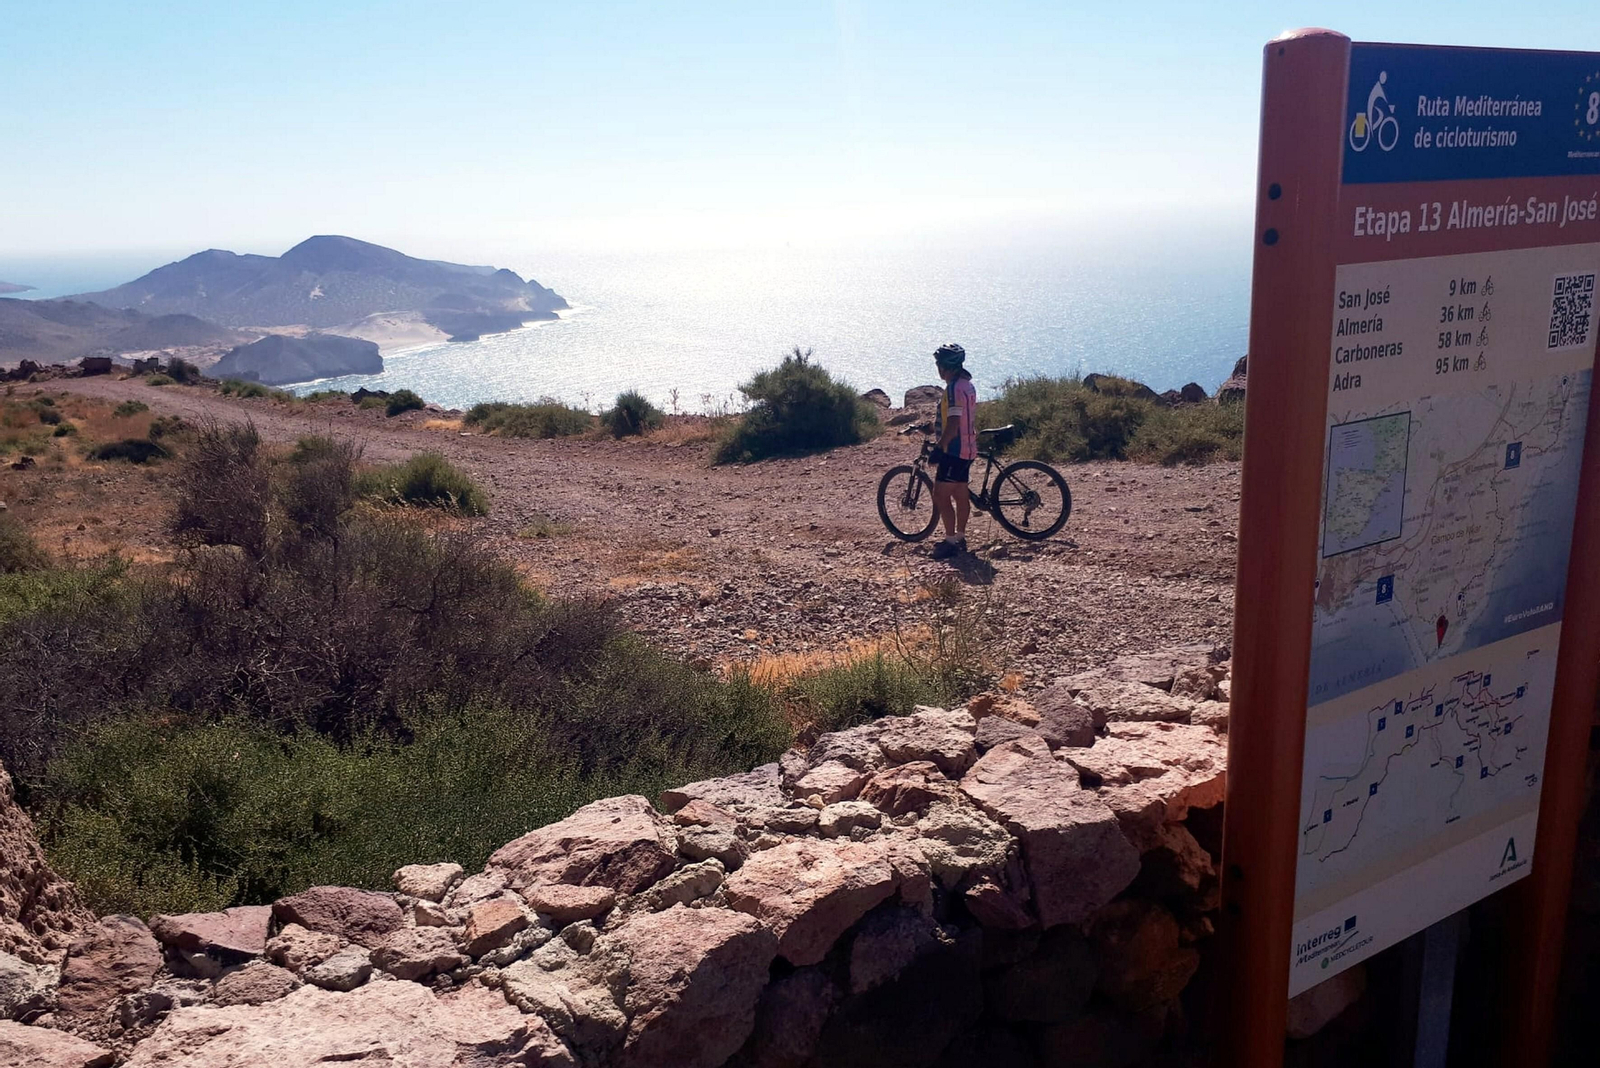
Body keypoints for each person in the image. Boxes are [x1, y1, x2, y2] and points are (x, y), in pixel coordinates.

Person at [930, 343, 976, 560]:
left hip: (954, 450)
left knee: (940, 494)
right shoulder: (967, 385)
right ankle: (960, 536)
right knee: (960, 493)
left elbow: (954, 421)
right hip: (969, 448)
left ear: (944, 366)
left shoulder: (953, 389)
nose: (937, 368)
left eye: (938, 364)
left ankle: (950, 542)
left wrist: (940, 447)